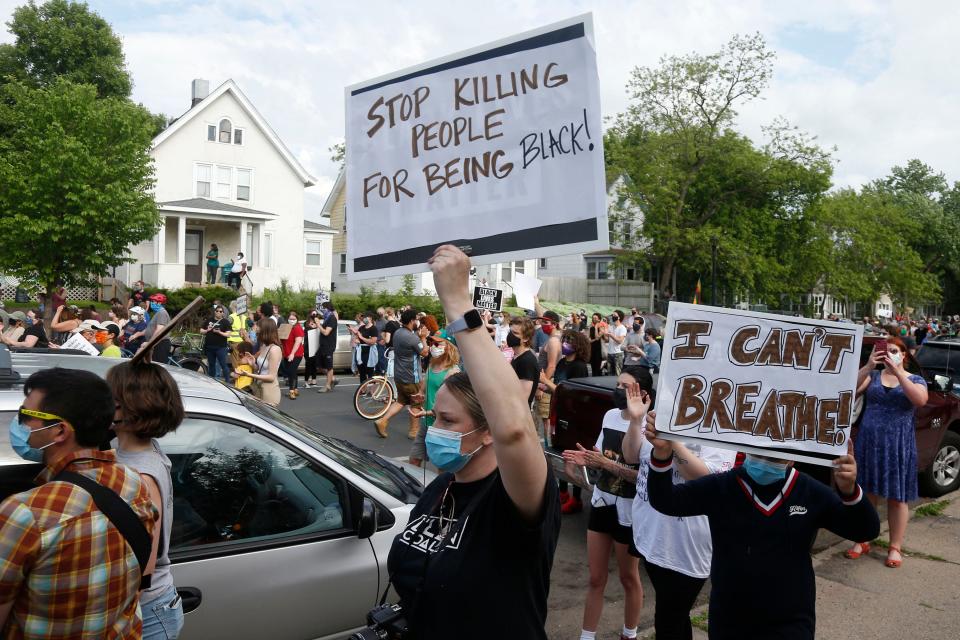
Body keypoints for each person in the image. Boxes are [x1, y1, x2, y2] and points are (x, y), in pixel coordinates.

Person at [386, 244, 560, 639]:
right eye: (435, 416)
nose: (436, 428)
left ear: (487, 432)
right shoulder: (441, 490)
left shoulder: (517, 499)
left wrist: (457, 302)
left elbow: (515, 427)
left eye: (449, 420)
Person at [645, 410, 880, 639]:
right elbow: (666, 501)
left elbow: (865, 530)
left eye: (774, 456)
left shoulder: (810, 492)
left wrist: (850, 491)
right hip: (729, 619)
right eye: (757, 453)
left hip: (790, 621)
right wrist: (662, 454)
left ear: (792, 457)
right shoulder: (722, 487)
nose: (764, 462)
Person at [0, 368, 157, 638]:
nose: (19, 422)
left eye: (27, 415)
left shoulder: (24, 514)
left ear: (59, 431)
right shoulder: (134, 484)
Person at [619, 381, 735, 640]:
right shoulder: (663, 412)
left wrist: (671, 444)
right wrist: (636, 421)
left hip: (686, 546)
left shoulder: (720, 423)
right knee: (673, 619)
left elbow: (707, 478)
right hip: (650, 534)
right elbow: (631, 455)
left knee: (668, 622)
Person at [562, 368, 647, 640]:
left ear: (642, 394)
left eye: (626, 386)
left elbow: (644, 477)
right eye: (618, 384)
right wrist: (581, 459)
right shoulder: (610, 416)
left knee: (628, 577)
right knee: (596, 578)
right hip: (602, 501)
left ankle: (629, 634)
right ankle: (587, 636)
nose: (618, 390)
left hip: (629, 511)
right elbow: (600, 454)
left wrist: (605, 463)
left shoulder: (649, 427)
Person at [107, 362, 186, 639]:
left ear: (129, 408)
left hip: (147, 613)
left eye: (108, 398)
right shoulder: (128, 451)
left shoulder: (140, 474)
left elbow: (143, 567)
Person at [845, 336, 928, 568]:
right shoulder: (872, 376)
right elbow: (847, 391)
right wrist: (869, 365)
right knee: (866, 493)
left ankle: (895, 546)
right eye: (885, 350)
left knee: (896, 497)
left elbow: (920, 399)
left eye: (894, 350)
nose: (889, 354)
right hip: (869, 442)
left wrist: (898, 372)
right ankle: (862, 539)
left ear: (904, 355)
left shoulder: (915, 379)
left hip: (898, 446)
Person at [546, 330, 591, 515]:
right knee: (562, 453)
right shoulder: (563, 362)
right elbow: (558, 388)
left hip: (574, 416)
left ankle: (576, 498)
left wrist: (545, 382)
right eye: (564, 339)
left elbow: (572, 392)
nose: (564, 343)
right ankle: (563, 492)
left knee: (573, 456)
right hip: (560, 412)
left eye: (569, 340)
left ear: (578, 345)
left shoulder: (579, 366)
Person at [373, 309, 429, 439]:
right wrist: (423, 338)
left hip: (399, 375)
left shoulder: (398, 332)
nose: (417, 322)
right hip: (411, 377)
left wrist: (418, 336)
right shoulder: (412, 338)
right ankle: (413, 431)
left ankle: (382, 421)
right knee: (416, 402)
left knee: (401, 401)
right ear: (411, 321)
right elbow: (425, 352)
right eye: (416, 319)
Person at [408, 332, 461, 467]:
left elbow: (450, 406)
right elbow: (423, 390)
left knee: (441, 467)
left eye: (437, 344)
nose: (433, 347)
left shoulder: (453, 372)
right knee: (414, 459)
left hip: (441, 426)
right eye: (431, 343)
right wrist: (419, 397)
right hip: (426, 423)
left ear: (449, 347)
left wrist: (426, 412)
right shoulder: (431, 366)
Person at [233, 317, 282, 407]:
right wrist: (253, 364)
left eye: (258, 329)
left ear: (265, 331)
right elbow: (261, 369)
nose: (256, 332)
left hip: (269, 391)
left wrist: (248, 374)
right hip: (259, 388)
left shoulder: (275, 349)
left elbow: (271, 377)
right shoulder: (264, 346)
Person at [507, 316, 540, 408]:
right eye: (510, 332)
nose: (510, 335)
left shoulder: (527, 361)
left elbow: (522, 398)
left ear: (525, 338)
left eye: (515, 333)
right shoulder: (517, 356)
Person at [201, 305, 232, 383]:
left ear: (223, 313)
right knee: (211, 365)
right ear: (214, 312)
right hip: (209, 347)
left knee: (223, 364)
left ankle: (228, 382)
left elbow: (228, 334)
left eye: (220, 311)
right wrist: (207, 330)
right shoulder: (209, 320)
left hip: (220, 347)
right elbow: (201, 330)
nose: (218, 312)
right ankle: (212, 381)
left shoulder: (225, 322)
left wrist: (219, 332)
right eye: (217, 311)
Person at [141, 294, 172, 364]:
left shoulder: (162, 313)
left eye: (153, 301)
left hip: (160, 344)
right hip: (157, 343)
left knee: (157, 366)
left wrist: (149, 343)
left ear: (159, 303)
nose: (151, 303)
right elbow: (150, 328)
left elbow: (159, 330)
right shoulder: (158, 313)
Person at [316, 301, 339, 393]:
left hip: (328, 346)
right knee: (318, 365)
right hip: (322, 345)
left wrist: (318, 325)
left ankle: (328, 385)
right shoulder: (327, 318)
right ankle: (332, 378)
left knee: (329, 366)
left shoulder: (332, 318)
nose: (321, 311)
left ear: (328, 309)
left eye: (323, 308)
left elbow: (326, 332)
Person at [282, 311, 305, 399]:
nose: (292, 320)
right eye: (290, 319)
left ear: (297, 319)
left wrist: (292, 354)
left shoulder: (297, 328)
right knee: (292, 371)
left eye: (293, 319)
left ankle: (291, 391)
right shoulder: (286, 327)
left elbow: (298, 341)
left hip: (296, 354)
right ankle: (295, 389)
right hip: (287, 354)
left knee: (291, 371)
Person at [356, 312, 380, 384]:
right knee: (361, 371)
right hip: (361, 350)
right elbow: (357, 338)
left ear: (370, 318)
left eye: (365, 317)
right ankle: (363, 389)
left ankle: (371, 390)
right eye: (363, 317)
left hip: (370, 351)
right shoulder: (361, 327)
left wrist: (361, 338)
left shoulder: (373, 329)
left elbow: (373, 341)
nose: (364, 319)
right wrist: (357, 340)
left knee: (370, 371)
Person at [605, 310, 628, 376]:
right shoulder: (611, 327)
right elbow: (607, 340)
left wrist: (610, 335)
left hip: (618, 354)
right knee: (609, 374)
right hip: (609, 353)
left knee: (618, 374)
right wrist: (604, 334)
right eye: (612, 315)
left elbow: (619, 341)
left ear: (619, 317)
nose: (612, 317)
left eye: (614, 315)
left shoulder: (622, 328)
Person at [303, 310, 321, 387]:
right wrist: (312, 326)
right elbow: (307, 330)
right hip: (308, 347)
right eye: (313, 313)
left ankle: (314, 380)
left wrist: (317, 324)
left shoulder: (318, 323)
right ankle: (306, 381)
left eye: (315, 313)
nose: (314, 314)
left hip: (315, 346)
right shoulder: (306, 323)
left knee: (314, 364)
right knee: (308, 364)